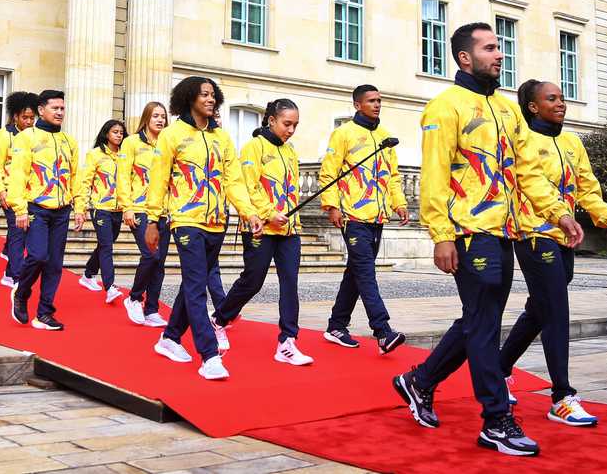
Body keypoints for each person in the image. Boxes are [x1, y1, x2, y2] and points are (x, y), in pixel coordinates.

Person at [391, 22, 584, 458]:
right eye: (490, 48)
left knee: (478, 319)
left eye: (500, 48)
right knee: (483, 323)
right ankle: (496, 420)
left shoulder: (508, 108)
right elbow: (434, 177)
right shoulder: (444, 108)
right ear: (465, 58)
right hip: (468, 232)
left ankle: (419, 380)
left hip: (505, 230)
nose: (500, 55)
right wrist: (440, 235)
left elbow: (527, 171)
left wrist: (558, 212)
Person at [489, 78, 607, 428]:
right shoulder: (523, 141)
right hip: (532, 231)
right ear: (533, 107)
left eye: (561, 97)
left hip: (564, 235)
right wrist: (554, 215)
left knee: (541, 307)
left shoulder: (573, 143)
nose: (561, 103)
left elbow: (587, 190)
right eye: (551, 98)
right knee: (556, 307)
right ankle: (562, 396)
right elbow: (528, 186)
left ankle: (498, 369)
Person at [145, 76, 262, 380]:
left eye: (213, 95)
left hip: (217, 222)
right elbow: (158, 181)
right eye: (204, 95)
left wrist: (247, 213)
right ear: (189, 98)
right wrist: (153, 221)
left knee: (192, 284)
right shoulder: (171, 135)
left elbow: (233, 181)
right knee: (198, 286)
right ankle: (209, 355)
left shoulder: (222, 138)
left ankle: (169, 339)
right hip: (185, 221)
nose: (210, 100)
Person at [212, 99, 313, 366]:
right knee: (252, 281)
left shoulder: (290, 152)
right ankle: (219, 319)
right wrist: (269, 213)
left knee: (289, 282)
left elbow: (291, 190)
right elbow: (249, 187)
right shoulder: (252, 148)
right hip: (260, 226)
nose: (291, 130)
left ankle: (287, 342)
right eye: (286, 124)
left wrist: (289, 218)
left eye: (295, 125)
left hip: (290, 229)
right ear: (271, 120)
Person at [320, 84, 410, 353]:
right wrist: (332, 206)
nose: (377, 104)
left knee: (357, 272)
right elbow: (329, 173)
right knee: (366, 272)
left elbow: (392, 176)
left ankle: (336, 325)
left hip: (377, 216)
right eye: (371, 100)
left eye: (379, 100)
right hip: (352, 215)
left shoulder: (385, 137)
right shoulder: (343, 133)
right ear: (358, 105)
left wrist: (399, 203)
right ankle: (382, 331)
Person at [8, 89, 86, 331]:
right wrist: (20, 208)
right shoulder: (26, 138)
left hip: (62, 211)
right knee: (38, 256)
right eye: (55, 108)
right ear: (41, 110)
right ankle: (21, 292)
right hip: (36, 208)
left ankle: (44, 313)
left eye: (62, 108)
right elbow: (18, 174)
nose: (60, 112)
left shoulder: (69, 141)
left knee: (54, 264)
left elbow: (76, 176)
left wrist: (80, 206)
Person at [120, 101, 171, 327]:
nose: (160, 120)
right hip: (140, 209)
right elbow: (122, 176)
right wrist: (126, 206)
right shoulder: (131, 142)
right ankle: (133, 298)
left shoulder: (169, 143)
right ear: (146, 118)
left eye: (163, 116)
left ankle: (151, 309)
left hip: (164, 211)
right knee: (151, 255)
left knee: (159, 261)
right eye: (155, 116)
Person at [0, 91, 38, 288]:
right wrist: (0, 189)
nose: (28, 121)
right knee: (18, 231)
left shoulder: (36, 136)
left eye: (32, 118)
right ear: (16, 116)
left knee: (22, 233)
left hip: (31, 194)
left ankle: (9, 273)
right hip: (10, 191)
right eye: (25, 117)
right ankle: (17, 277)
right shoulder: (5, 135)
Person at [78, 119, 127, 302]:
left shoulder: (125, 155)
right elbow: (85, 182)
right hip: (100, 208)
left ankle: (88, 274)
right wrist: (81, 207)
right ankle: (109, 286)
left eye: (121, 132)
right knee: (107, 245)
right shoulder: (95, 155)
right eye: (115, 132)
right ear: (106, 133)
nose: (119, 135)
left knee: (105, 243)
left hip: (119, 209)